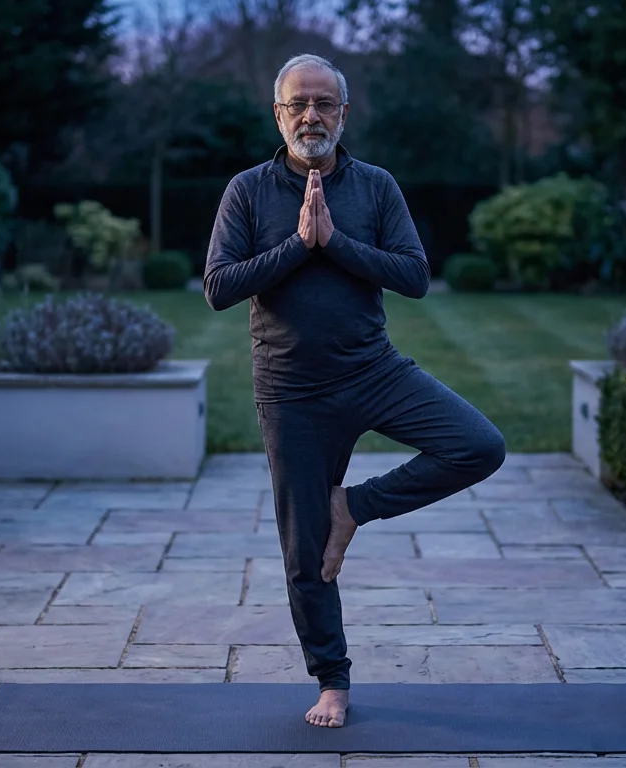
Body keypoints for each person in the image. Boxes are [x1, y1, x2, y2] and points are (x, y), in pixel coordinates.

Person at [202, 53, 507, 729]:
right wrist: (298, 246)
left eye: (324, 104)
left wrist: (334, 241)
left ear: (344, 112)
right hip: (292, 391)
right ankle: (332, 681)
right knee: (303, 551)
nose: (311, 116)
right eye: (298, 104)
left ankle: (353, 507)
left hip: (374, 371)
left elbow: (414, 276)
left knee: (478, 445)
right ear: (278, 114)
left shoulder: (375, 186)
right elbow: (219, 286)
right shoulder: (247, 191)